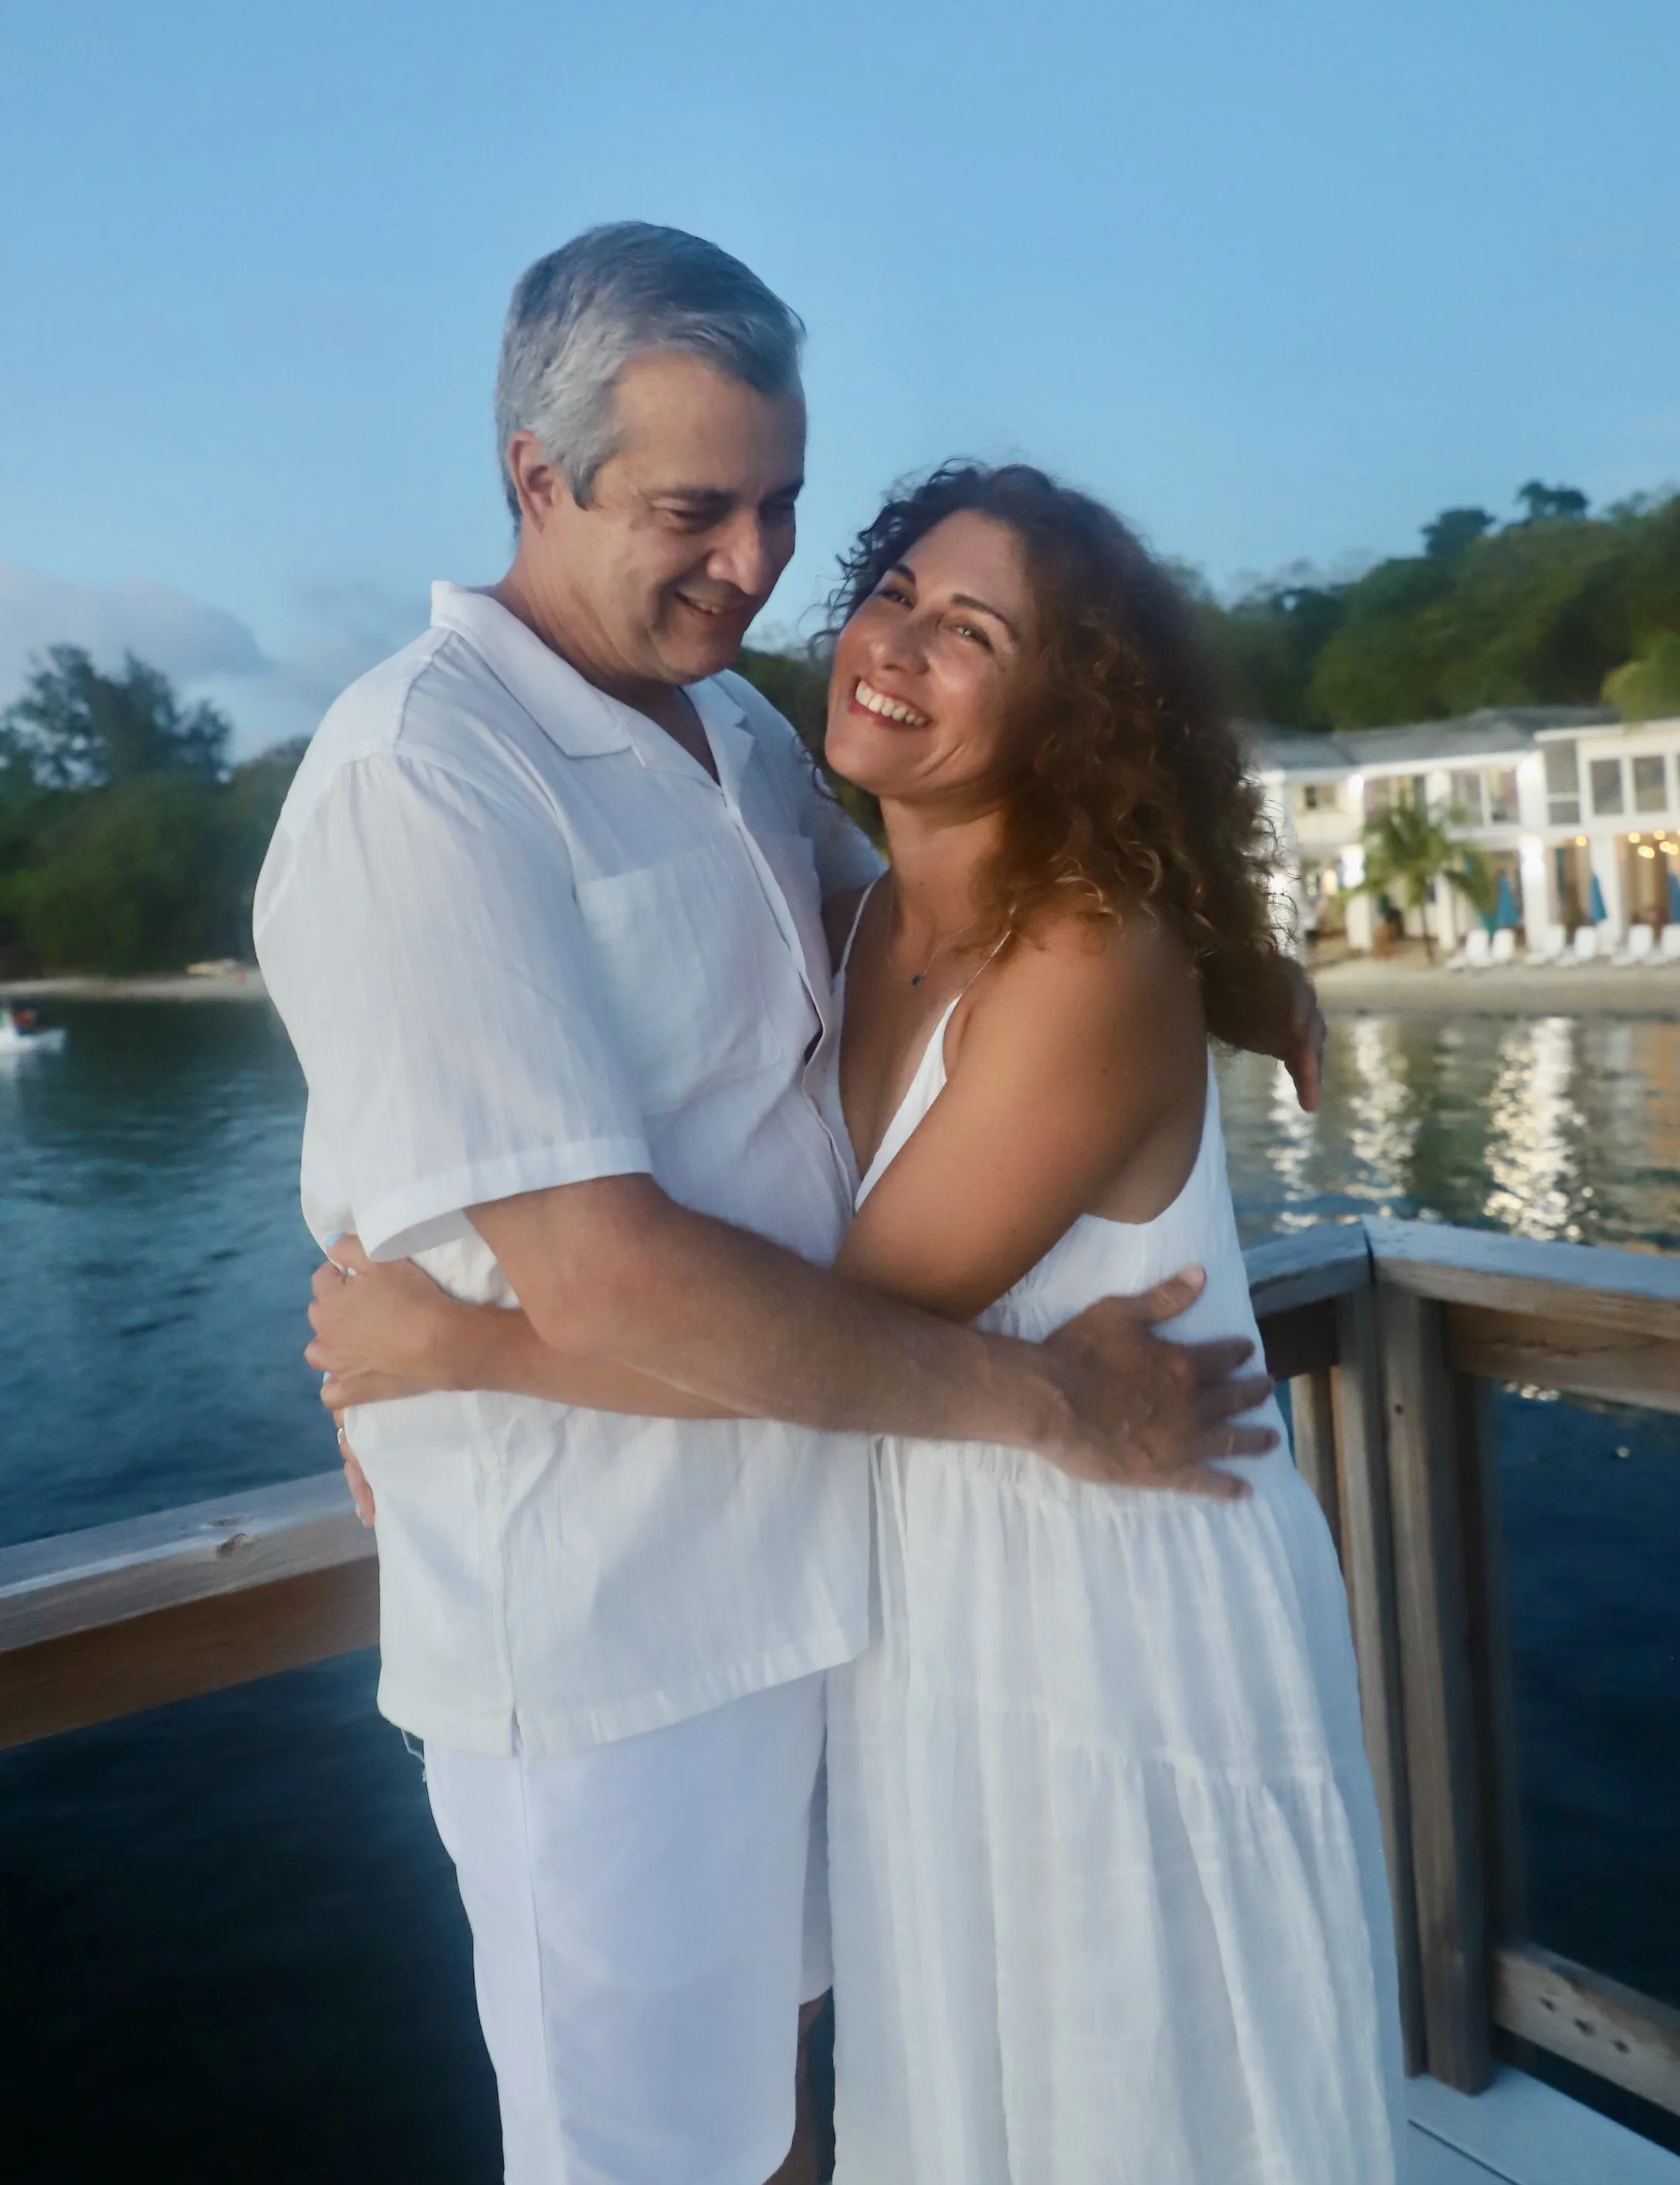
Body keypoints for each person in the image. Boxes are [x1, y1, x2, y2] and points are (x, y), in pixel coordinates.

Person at [260, 225, 1326, 2185]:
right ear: (534, 476)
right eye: (692, 507)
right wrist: (1047, 1403)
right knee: (652, 2156)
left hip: (832, 1583)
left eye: (777, 505)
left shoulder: (737, 736)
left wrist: (1226, 954)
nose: (753, 565)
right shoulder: (422, 781)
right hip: (606, 1628)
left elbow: (939, 918)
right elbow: (611, 1277)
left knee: (818, 2122)